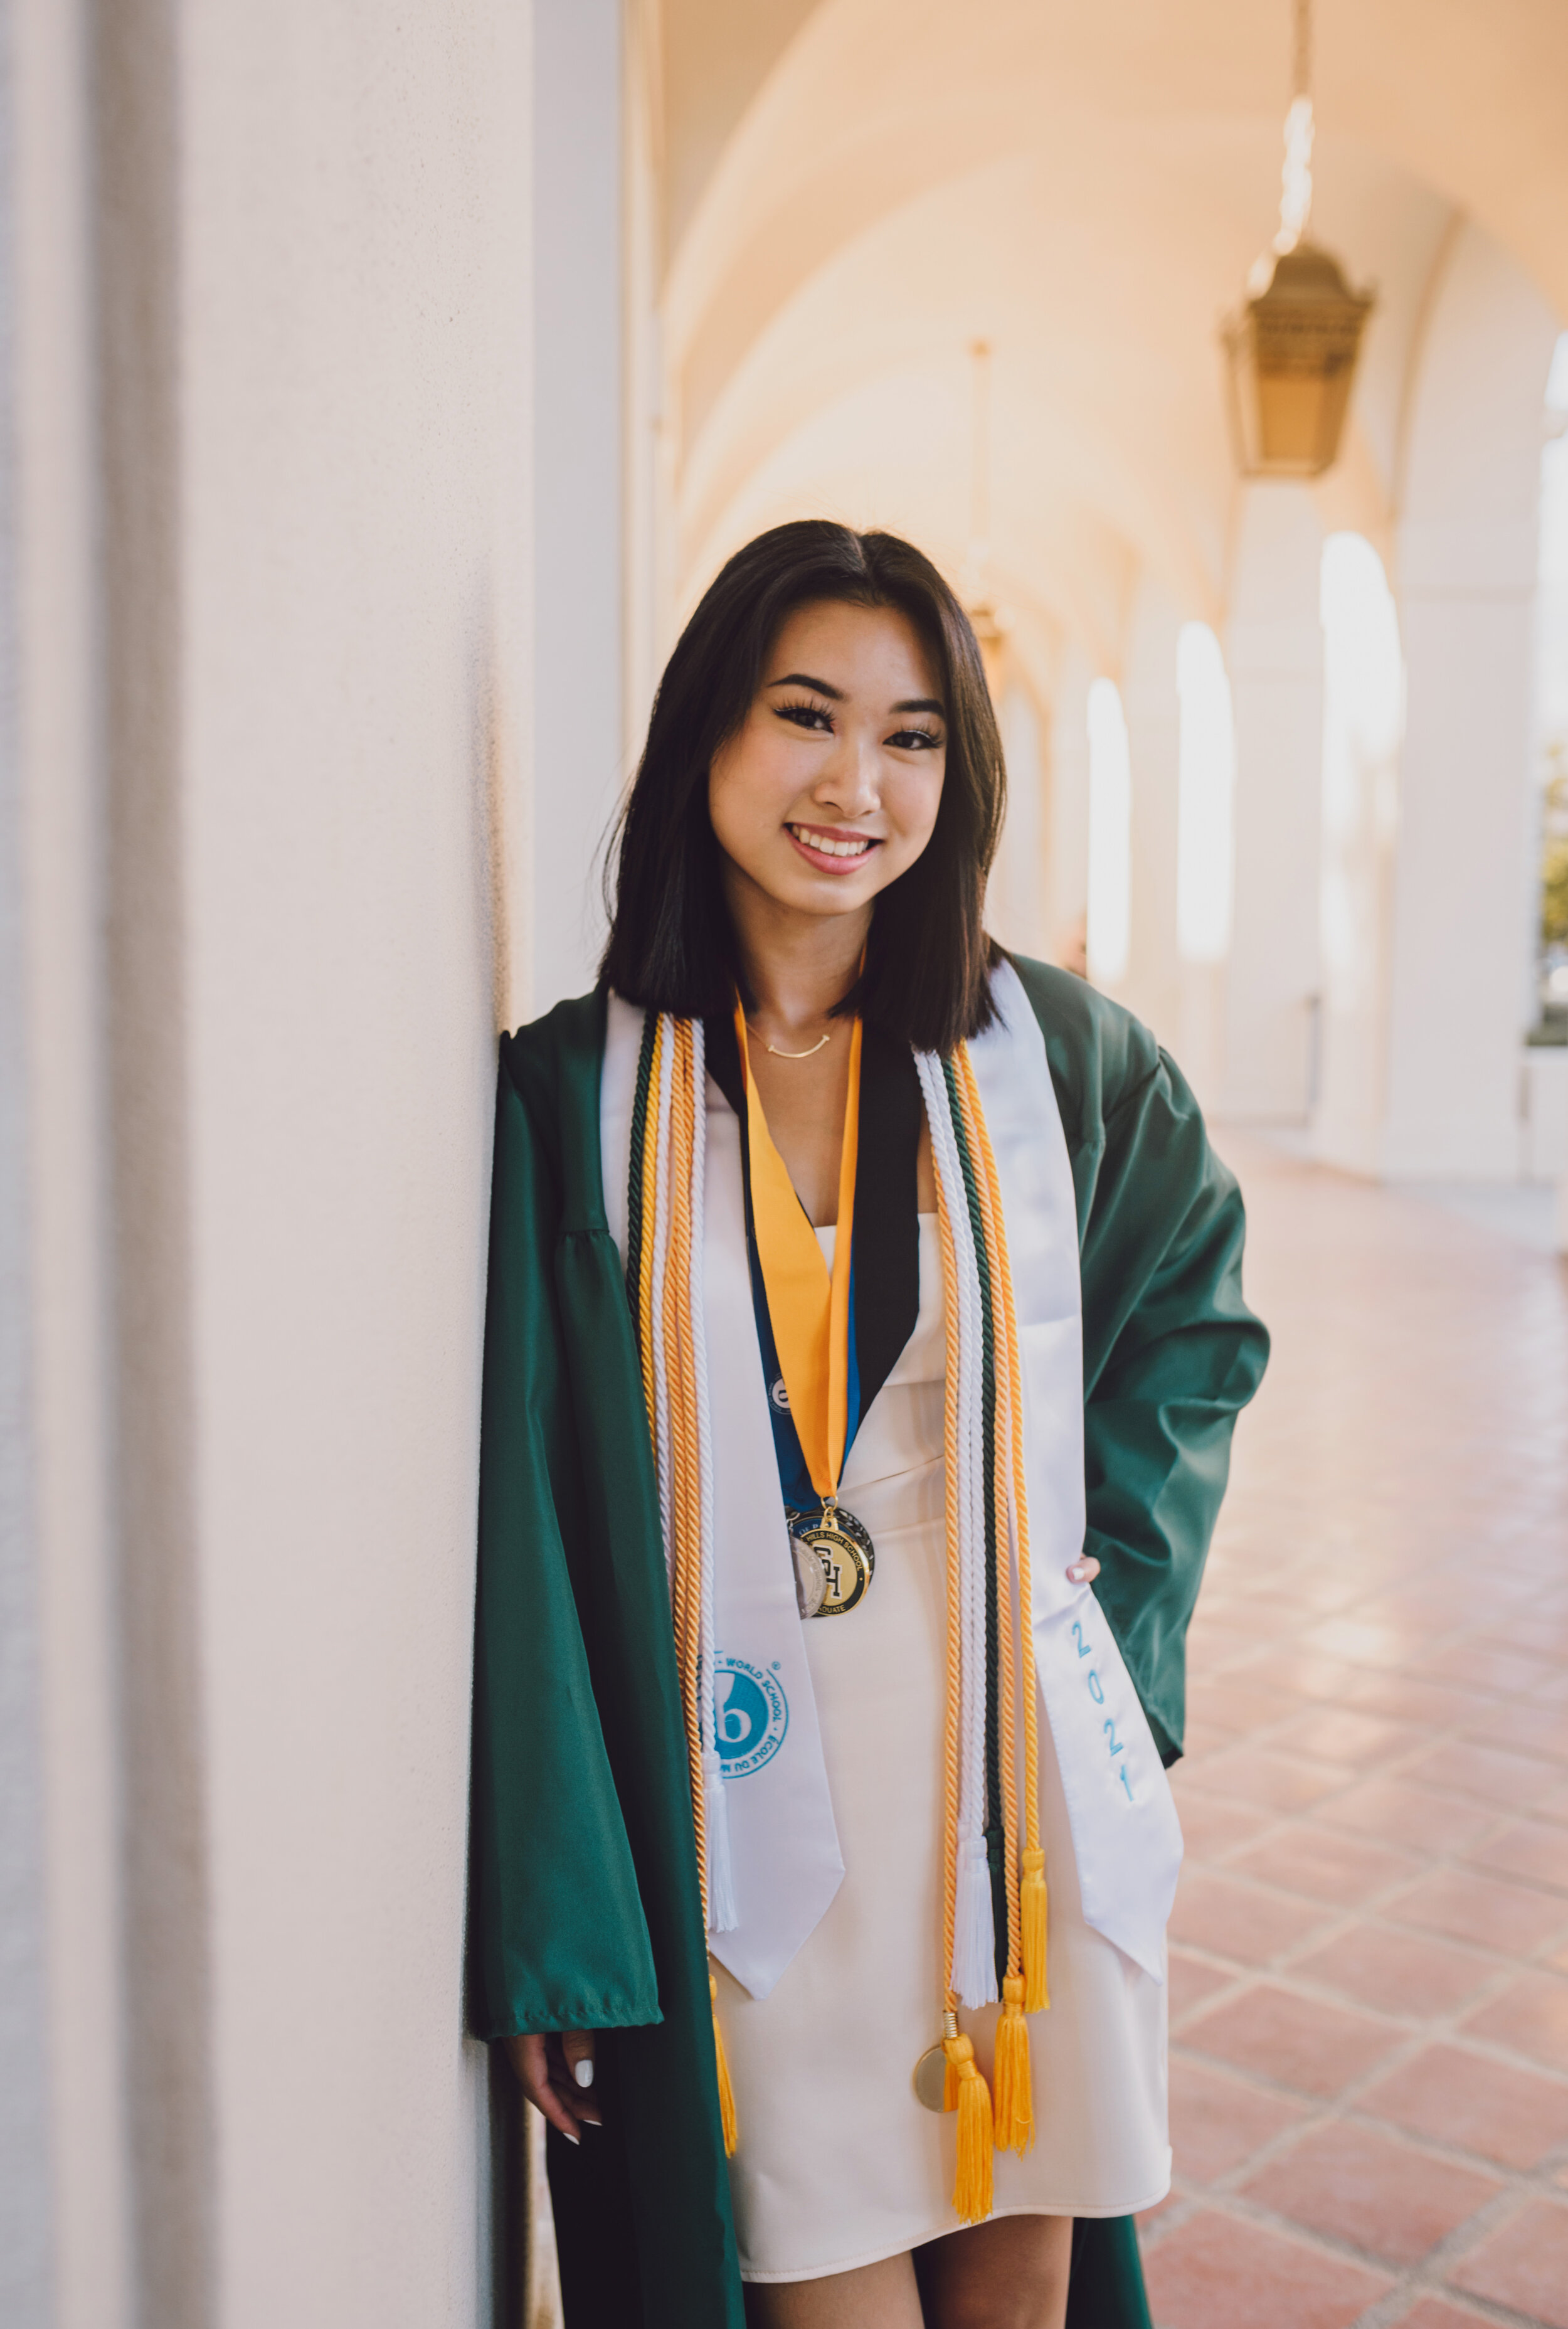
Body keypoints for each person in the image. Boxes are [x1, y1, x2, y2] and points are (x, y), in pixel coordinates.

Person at [467, 522, 1268, 2329]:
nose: (856, 783)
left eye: (912, 737)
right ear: (705, 740)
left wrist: (1116, 1635)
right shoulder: (571, 1100)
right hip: (747, 1799)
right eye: (807, 715)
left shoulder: (1050, 1061)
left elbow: (1196, 1321)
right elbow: (519, 1524)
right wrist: (556, 1909)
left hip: (1011, 1793)